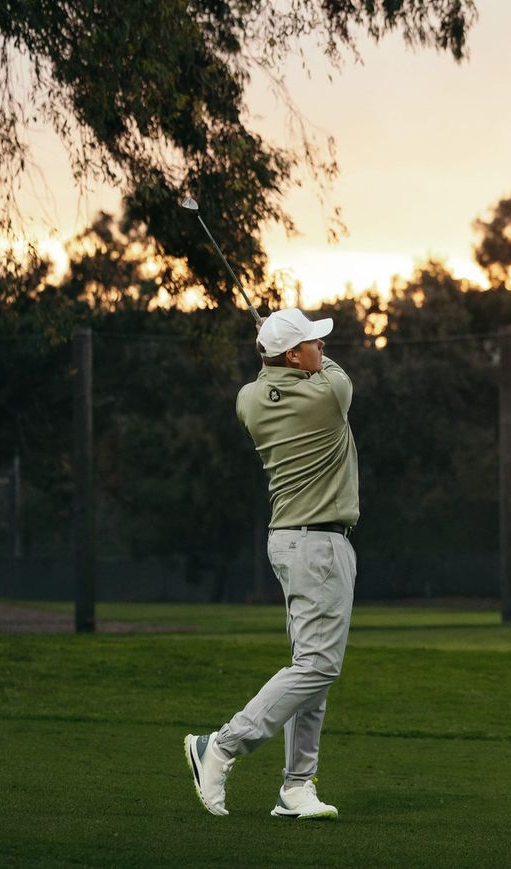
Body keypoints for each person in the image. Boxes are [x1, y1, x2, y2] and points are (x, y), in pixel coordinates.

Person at [184, 307, 359, 820]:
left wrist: (278, 350)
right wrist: (286, 345)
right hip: (320, 545)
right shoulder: (330, 394)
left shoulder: (248, 400)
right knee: (319, 666)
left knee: (312, 667)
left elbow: (274, 379)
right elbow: (335, 374)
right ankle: (220, 746)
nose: (322, 349)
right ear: (293, 354)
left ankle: (296, 787)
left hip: (290, 542)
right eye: (313, 343)